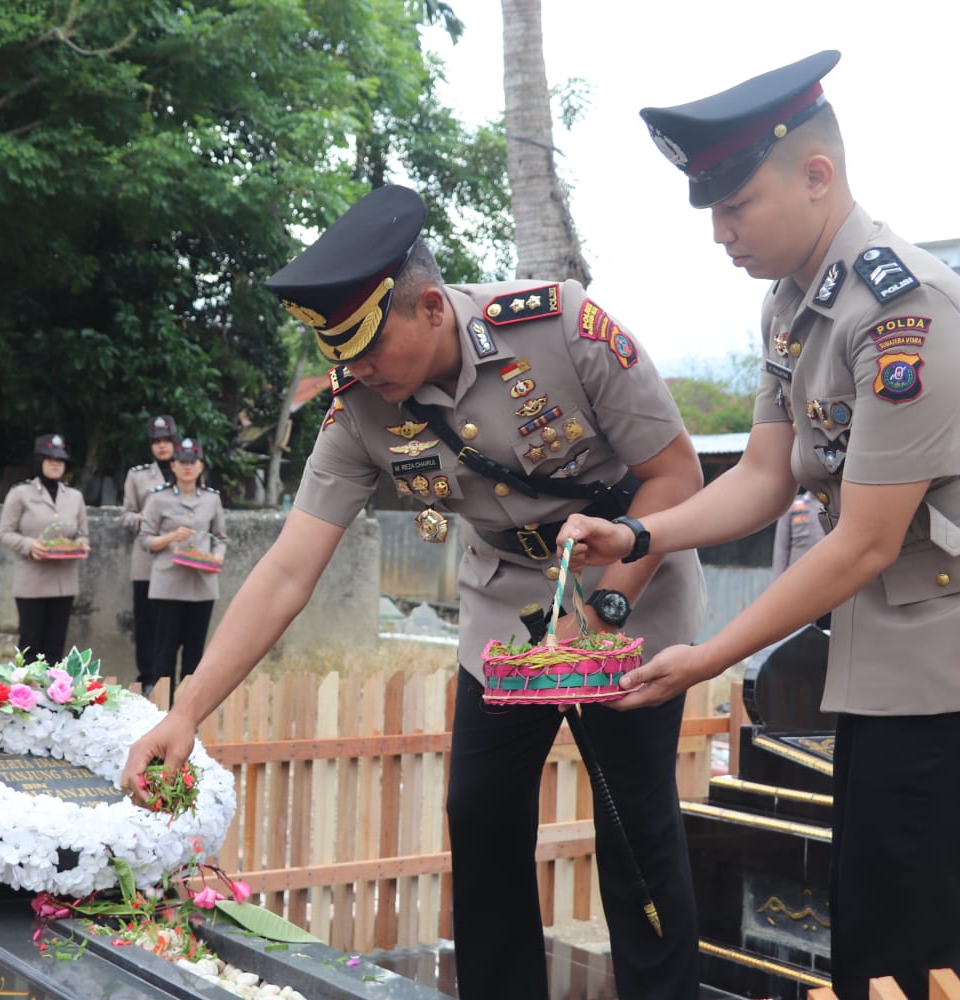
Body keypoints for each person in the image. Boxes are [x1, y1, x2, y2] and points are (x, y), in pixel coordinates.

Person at [122, 184, 708, 1000]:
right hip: (505, 611)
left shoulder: (561, 328)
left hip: (629, 593)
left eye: (366, 351)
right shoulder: (360, 411)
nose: (354, 373)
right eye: (341, 358)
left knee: (635, 825)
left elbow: (676, 475)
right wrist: (185, 713)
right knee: (479, 816)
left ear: (430, 307)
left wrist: (599, 608)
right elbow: (290, 567)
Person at [561, 51, 960, 999]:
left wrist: (706, 657)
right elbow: (765, 475)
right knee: (869, 931)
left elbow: (863, 539)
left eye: (735, 208)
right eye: (712, 212)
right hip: (879, 662)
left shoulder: (904, 311)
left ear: (816, 176)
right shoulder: (792, 304)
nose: (719, 235)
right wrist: (645, 537)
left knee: (912, 949)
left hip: (939, 669)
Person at [138, 436, 227, 700]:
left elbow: (221, 537)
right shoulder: (158, 499)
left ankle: (188, 711)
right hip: (168, 585)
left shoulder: (211, 499)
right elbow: (145, 540)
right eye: (182, 462)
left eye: (193, 462)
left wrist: (217, 557)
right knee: (163, 653)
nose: (188, 467)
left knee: (195, 654)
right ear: (173, 466)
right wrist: (169, 538)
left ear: (201, 466)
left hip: (202, 585)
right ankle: (161, 710)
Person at [0, 433, 90, 666]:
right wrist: (29, 545)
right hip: (32, 581)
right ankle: (26, 697)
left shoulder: (75, 496)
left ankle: (53, 698)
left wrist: (81, 544)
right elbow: (5, 533)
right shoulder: (20, 494)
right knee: (31, 643)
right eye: (49, 459)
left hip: (64, 581)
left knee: (56, 645)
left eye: (60, 460)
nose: (55, 464)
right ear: (39, 461)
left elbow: (82, 533)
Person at [122, 415, 179, 686]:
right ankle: (146, 680)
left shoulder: (188, 471)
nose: (162, 446)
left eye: (167, 440)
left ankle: (167, 681)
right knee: (146, 625)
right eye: (157, 441)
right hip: (146, 562)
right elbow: (126, 517)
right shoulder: (138, 476)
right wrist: (146, 516)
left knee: (171, 627)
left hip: (179, 562)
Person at [772, 488, 826, 575]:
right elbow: (781, 548)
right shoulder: (792, 506)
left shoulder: (837, 508)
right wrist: (778, 580)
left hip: (828, 576)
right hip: (796, 576)